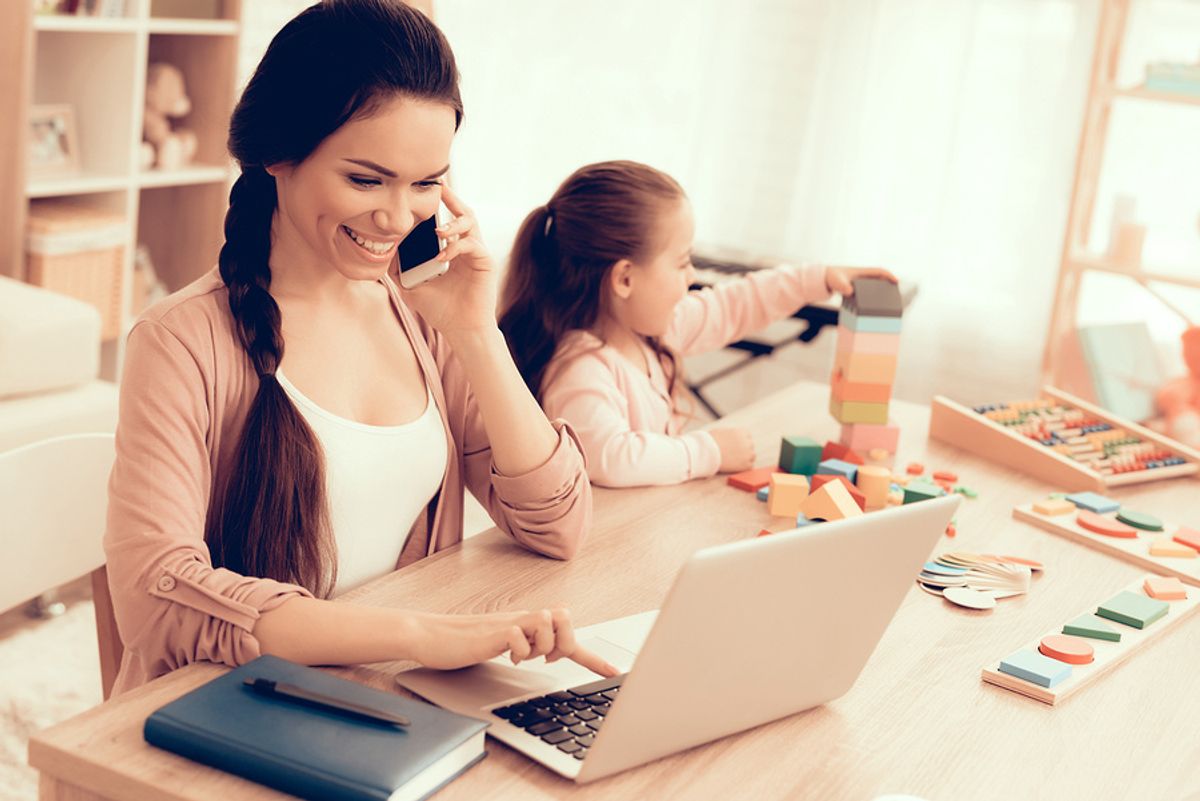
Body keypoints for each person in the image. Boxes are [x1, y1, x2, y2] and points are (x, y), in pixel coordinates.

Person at [104, 0, 612, 695]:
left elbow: (558, 525)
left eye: (426, 183)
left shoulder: (424, 315)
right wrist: (415, 633)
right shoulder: (181, 340)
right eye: (366, 179)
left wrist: (475, 331)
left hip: (392, 694)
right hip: (236, 705)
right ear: (278, 153)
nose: (397, 217)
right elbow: (155, 593)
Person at [499, 160, 896, 487]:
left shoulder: (653, 332)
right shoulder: (580, 369)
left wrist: (818, 278)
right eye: (682, 262)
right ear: (624, 279)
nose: (691, 276)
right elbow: (612, 458)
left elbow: (736, 303)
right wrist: (710, 451)